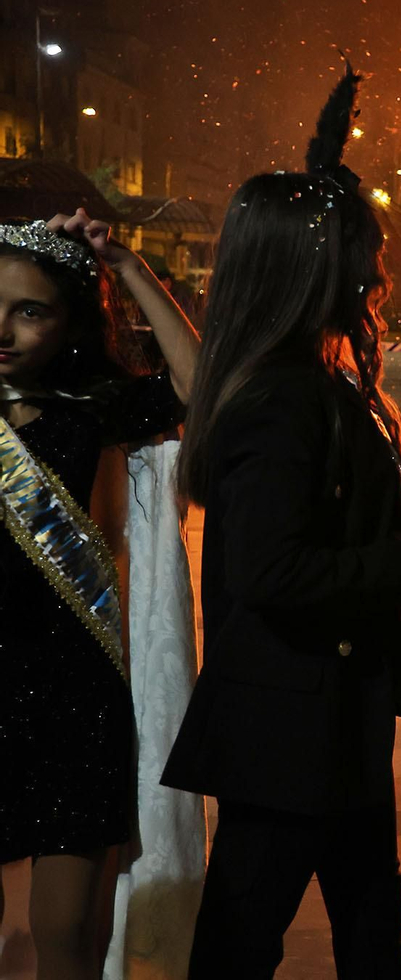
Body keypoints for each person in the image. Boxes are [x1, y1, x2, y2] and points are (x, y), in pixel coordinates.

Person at [162, 65, 401, 976]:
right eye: (365, 247)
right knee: (241, 942)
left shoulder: (322, 378)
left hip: (337, 719)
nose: (380, 266)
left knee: (375, 930)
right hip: (287, 731)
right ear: (312, 265)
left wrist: (397, 553)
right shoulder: (279, 402)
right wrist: (398, 560)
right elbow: (270, 573)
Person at [0, 212, 200, 978]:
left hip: (72, 703)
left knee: (69, 934)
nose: (6, 328)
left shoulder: (92, 407)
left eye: (31, 309)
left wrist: (126, 264)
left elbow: (198, 385)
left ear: (70, 320)